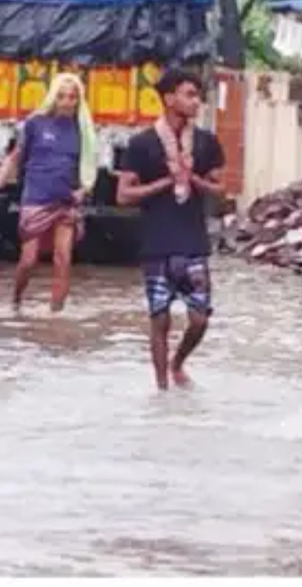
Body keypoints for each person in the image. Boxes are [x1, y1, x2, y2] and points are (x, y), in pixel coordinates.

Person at [116, 68, 226, 391]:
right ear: (168, 99)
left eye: (197, 96)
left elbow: (222, 190)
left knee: (200, 318)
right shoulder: (142, 144)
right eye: (189, 95)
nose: (196, 102)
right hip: (157, 243)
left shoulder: (206, 144)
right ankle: (162, 388)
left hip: (193, 241)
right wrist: (164, 183)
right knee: (160, 318)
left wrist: (193, 180)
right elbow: (123, 195)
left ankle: (179, 363)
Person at [0, 72, 97, 312]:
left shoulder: (83, 131)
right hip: (36, 199)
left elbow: (89, 164)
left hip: (66, 201)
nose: (67, 102)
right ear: (53, 98)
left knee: (63, 260)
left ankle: (55, 314)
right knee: (29, 260)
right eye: (62, 96)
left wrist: (84, 190)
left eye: (72, 97)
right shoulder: (35, 124)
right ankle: (16, 302)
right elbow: (17, 156)